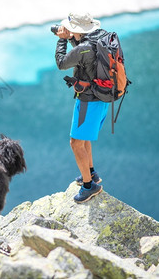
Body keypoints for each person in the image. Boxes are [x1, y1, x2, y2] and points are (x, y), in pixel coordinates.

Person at [54, 12, 109, 203]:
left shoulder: (83, 47)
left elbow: (62, 63)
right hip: (101, 97)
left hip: (88, 101)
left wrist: (62, 41)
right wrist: (72, 39)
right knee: (84, 137)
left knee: (75, 143)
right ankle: (91, 173)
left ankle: (89, 186)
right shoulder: (98, 38)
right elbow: (85, 56)